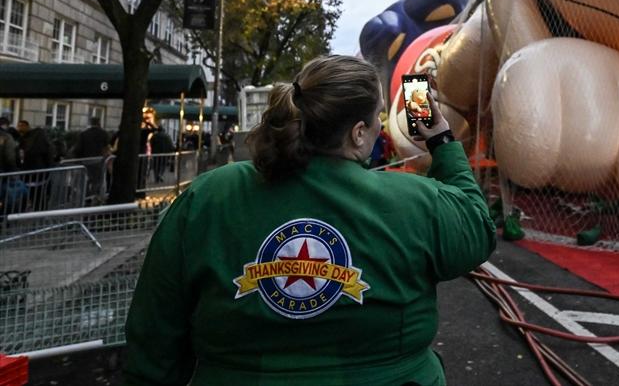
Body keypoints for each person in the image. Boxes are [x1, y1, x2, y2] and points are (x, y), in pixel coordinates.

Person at [124, 54, 495, 385]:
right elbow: (476, 226)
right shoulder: (414, 201)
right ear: (359, 133)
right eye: (377, 117)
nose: (382, 126)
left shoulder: (208, 196)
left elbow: (154, 332)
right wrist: (441, 139)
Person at [72, 117, 111, 201]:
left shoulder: (84, 134)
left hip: (86, 160)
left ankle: (87, 196)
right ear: (99, 123)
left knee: (86, 179)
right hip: (98, 160)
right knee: (97, 180)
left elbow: (78, 148)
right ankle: (95, 196)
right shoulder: (103, 133)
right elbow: (106, 148)